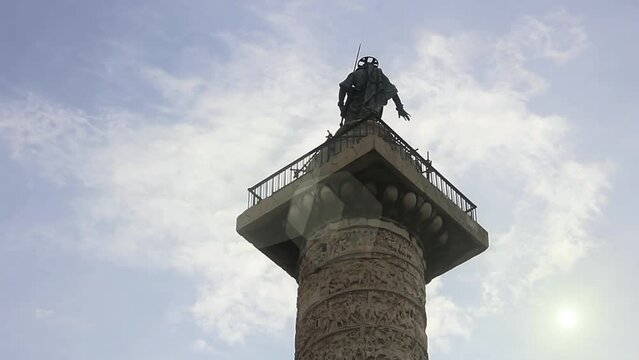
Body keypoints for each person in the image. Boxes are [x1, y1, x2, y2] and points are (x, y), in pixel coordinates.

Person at [337, 56, 410, 126]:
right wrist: (400, 108)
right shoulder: (379, 76)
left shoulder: (355, 74)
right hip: (372, 108)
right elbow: (392, 91)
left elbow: (343, 87)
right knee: (370, 125)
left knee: (350, 126)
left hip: (353, 107)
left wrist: (341, 105)